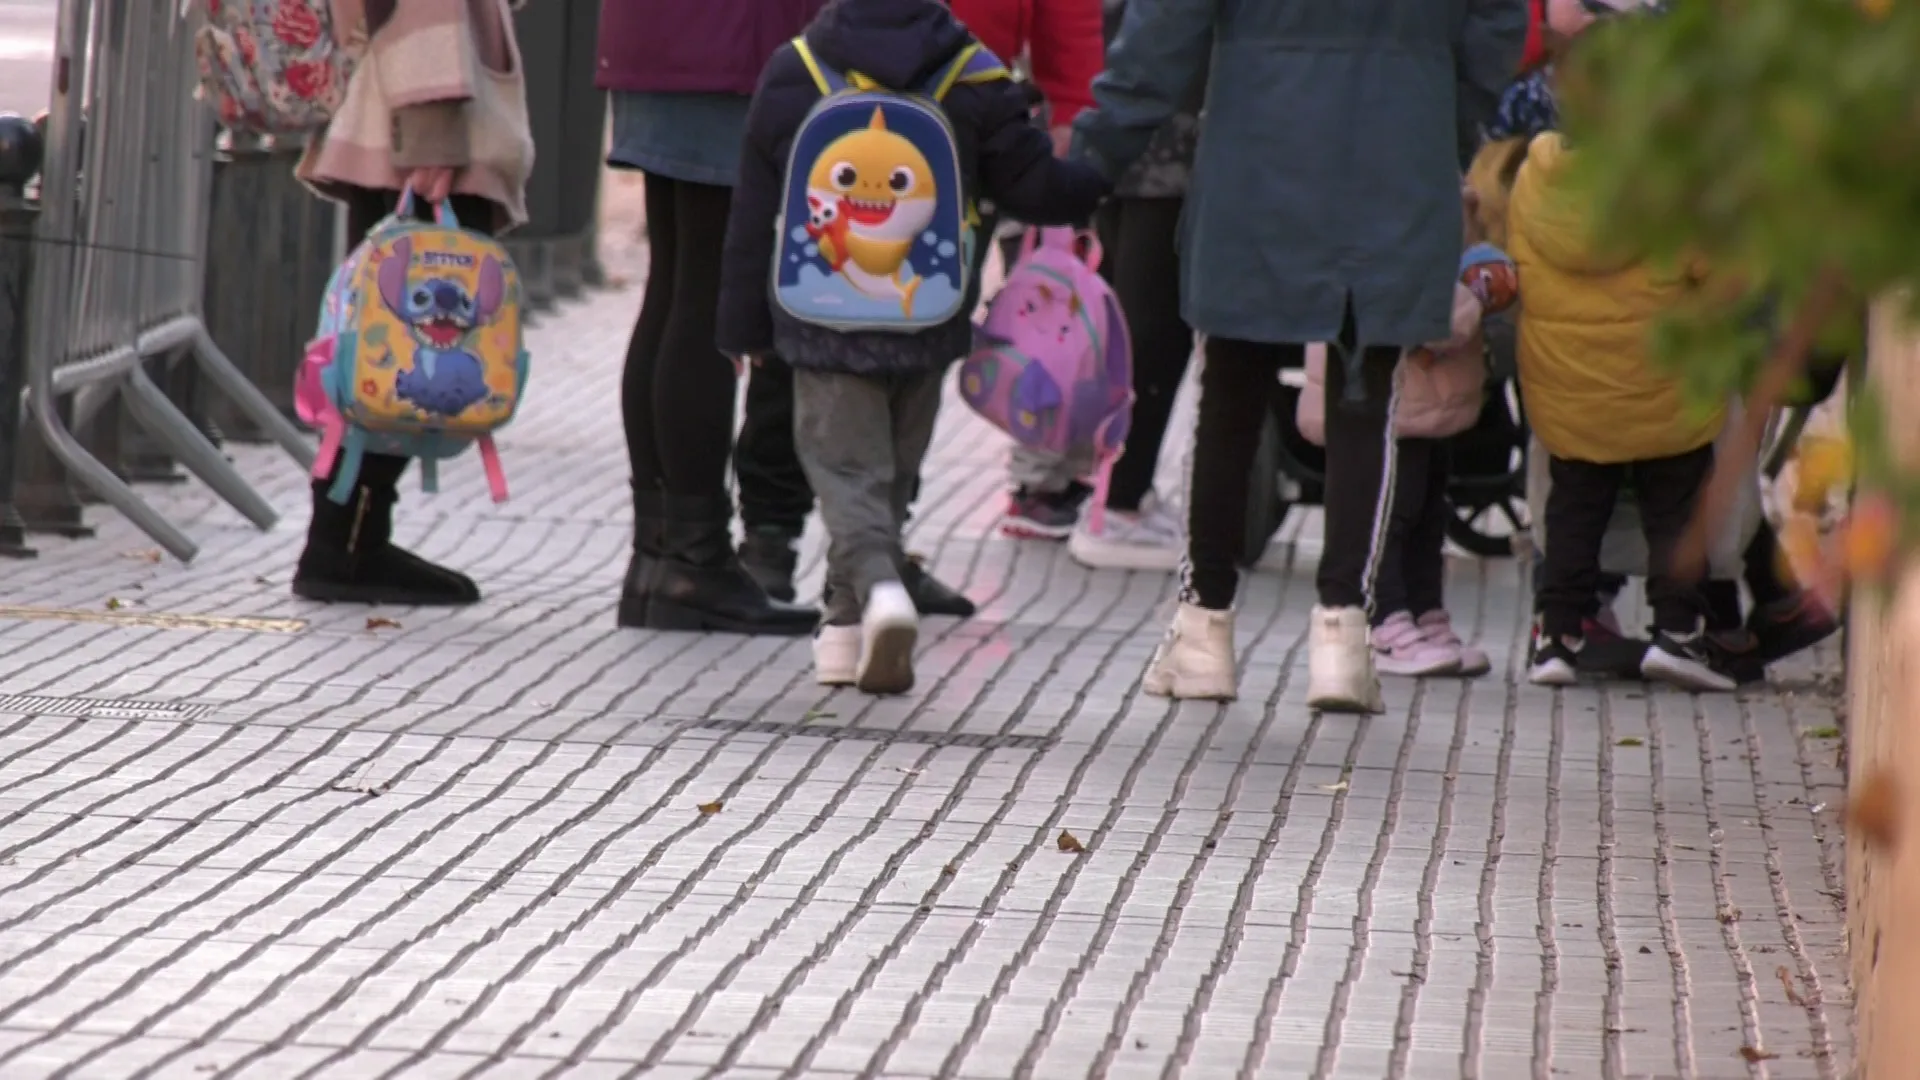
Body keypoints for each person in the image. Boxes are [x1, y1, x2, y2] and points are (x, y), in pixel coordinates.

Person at [1070, 0, 1528, 704]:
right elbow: (1496, 25)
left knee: (1230, 389)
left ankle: (1203, 633)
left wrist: (1093, 155)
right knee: (1367, 391)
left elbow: (1161, 33)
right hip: (1396, 148)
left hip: (1255, 153)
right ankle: (1344, 633)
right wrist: (1446, 121)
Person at [718, 0, 1109, 694]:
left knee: (844, 473)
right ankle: (841, 638)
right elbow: (1036, 186)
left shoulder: (797, 69)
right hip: (925, 314)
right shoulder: (974, 74)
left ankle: (878, 588)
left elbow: (755, 215)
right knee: (890, 475)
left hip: (820, 317)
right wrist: (1104, 170)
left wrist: (746, 331)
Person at [290, 0, 535, 607]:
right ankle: (344, 546)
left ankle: (350, 539)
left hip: (402, 110)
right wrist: (433, 129)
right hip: (421, 125)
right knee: (392, 350)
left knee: (377, 345)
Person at [597, 0, 823, 635]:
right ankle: (696, 560)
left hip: (657, 39)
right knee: (703, 291)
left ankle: (659, 554)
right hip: (726, 45)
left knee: (673, 282)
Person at [1056, 0, 1203, 569]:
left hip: (1123, 127)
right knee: (1151, 332)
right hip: (1163, 141)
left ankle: (1118, 492)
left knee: (1125, 328)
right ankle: (1116, 502)